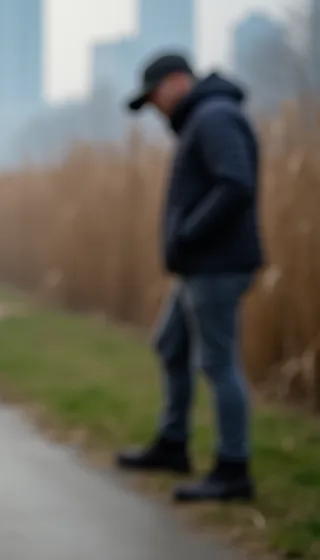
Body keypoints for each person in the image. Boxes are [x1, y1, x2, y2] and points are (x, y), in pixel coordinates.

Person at [116, 53, 264, 503]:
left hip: (218, 264)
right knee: (169, 344)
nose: (156, 108)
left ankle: (233, 469)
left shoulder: (215, 116)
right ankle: (173, 443)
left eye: (155, 95)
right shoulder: (203, 116)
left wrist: (189, 232)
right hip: (200, 265)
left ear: (177, 82)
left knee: (217, 362)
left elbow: (236, 184)